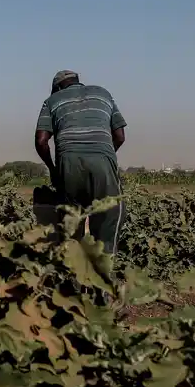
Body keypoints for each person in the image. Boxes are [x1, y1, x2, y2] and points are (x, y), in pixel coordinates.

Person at [34, 70, 127, 255]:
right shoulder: (103, 94)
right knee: (110, 215)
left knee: (70, 222)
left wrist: (53, 170)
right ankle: (102, 272)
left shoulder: (52, 100)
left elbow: (41, 141)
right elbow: (120, 136)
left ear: (58, 87)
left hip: (68, 164)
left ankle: (73, 275)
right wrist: (104, 156)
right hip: (102, 163)